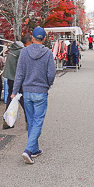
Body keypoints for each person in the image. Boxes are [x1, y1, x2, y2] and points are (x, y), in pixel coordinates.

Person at [13, 26, 57, 165]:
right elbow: (51, 74)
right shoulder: (48, 53)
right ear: (44, 38)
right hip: (40, 91)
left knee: (32, 121)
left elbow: (19, 73)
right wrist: (47, 84)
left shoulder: (24, 52)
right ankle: (28, 150)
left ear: (32, 38)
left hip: (27, 91)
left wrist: (14, 92)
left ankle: (35, 149)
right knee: (37, 121)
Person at [3, 34, 29, 104]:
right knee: (22, 97)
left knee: (10, 96)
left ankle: (8, 114)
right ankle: (28, 114)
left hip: (9, 77)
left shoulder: (12, 49)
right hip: (16, 78)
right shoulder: (21, 51)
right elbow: (22, 67)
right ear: (27, 42)